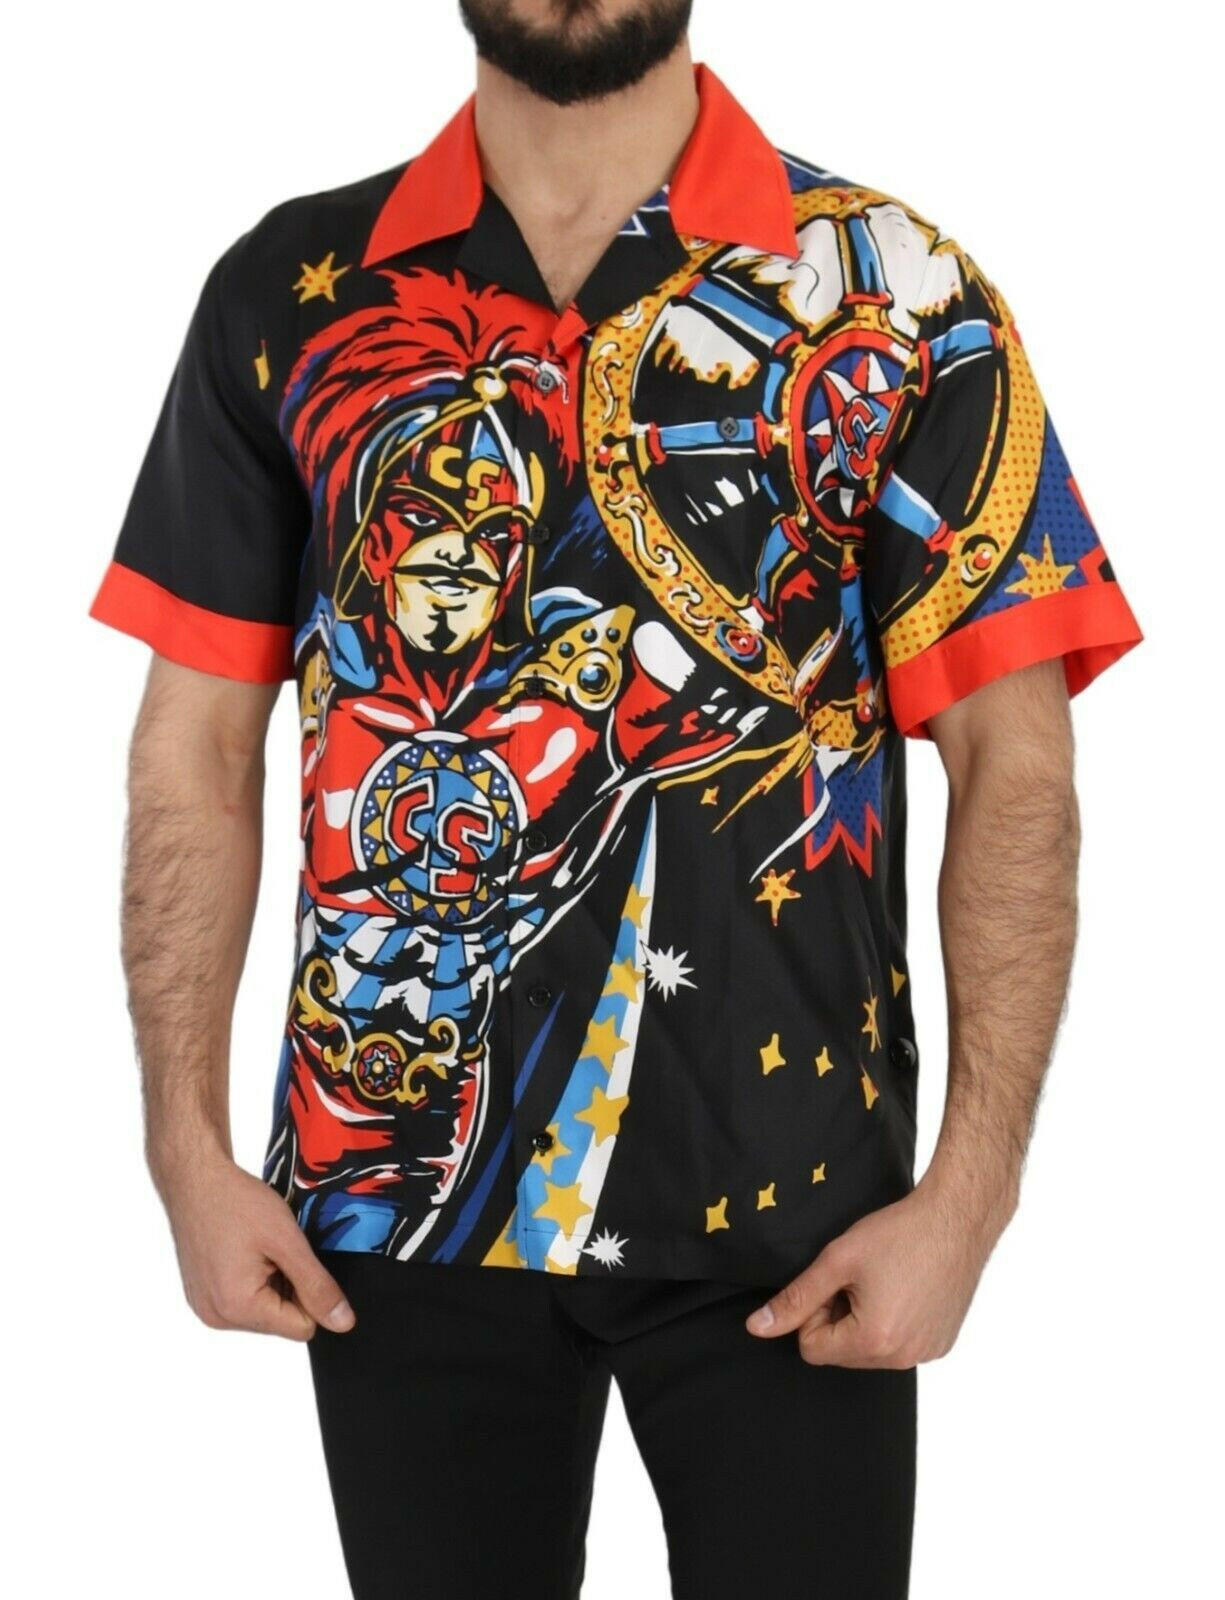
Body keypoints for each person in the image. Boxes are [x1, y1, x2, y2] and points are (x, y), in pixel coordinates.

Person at [89, 2, 1141, 1595]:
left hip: (800, 1219)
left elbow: (1016, 764)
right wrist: (184, 1146)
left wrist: (972, 1193)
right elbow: (193, 747)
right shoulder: (288, 290)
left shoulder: (900, 294)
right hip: (394, 1207)